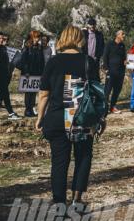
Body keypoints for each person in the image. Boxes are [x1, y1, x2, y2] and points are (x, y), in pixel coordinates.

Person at [35, 25, 102, 207]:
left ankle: (58, 203)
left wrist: (40, 117)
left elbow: (44, 94)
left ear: (63, 38)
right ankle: (77, 199)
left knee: (59, 161)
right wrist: (100, 119)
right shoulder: (89, 61)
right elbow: (97, 92)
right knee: (83, 156)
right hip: (82, 117)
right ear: (80, 39)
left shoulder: (53, 62)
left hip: (57, 117)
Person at [17, 30, 46, 117]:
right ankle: (27, 110)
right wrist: (26, 71)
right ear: (32, 37)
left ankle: (31, 109)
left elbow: (42, 61)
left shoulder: (40, 47)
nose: (38, 39)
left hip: (37, 72)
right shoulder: (26, 47)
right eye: (36, 37)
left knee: (34, 92)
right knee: (28, 92)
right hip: (28, 73)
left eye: (39, 37)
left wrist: (42, 72)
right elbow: (24, 60)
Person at [101, 30, 127, 113]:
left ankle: (112, 107)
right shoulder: (109, 44)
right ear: (117, 35)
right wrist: (106, 69)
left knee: (117, 90)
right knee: (107, 90)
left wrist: (126, 62)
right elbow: (105, 57)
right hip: (111, 71)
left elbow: (124, 58)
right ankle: (104, 108)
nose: (124, 35)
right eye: (122, 34)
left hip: (120, 72)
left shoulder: (122, 45)